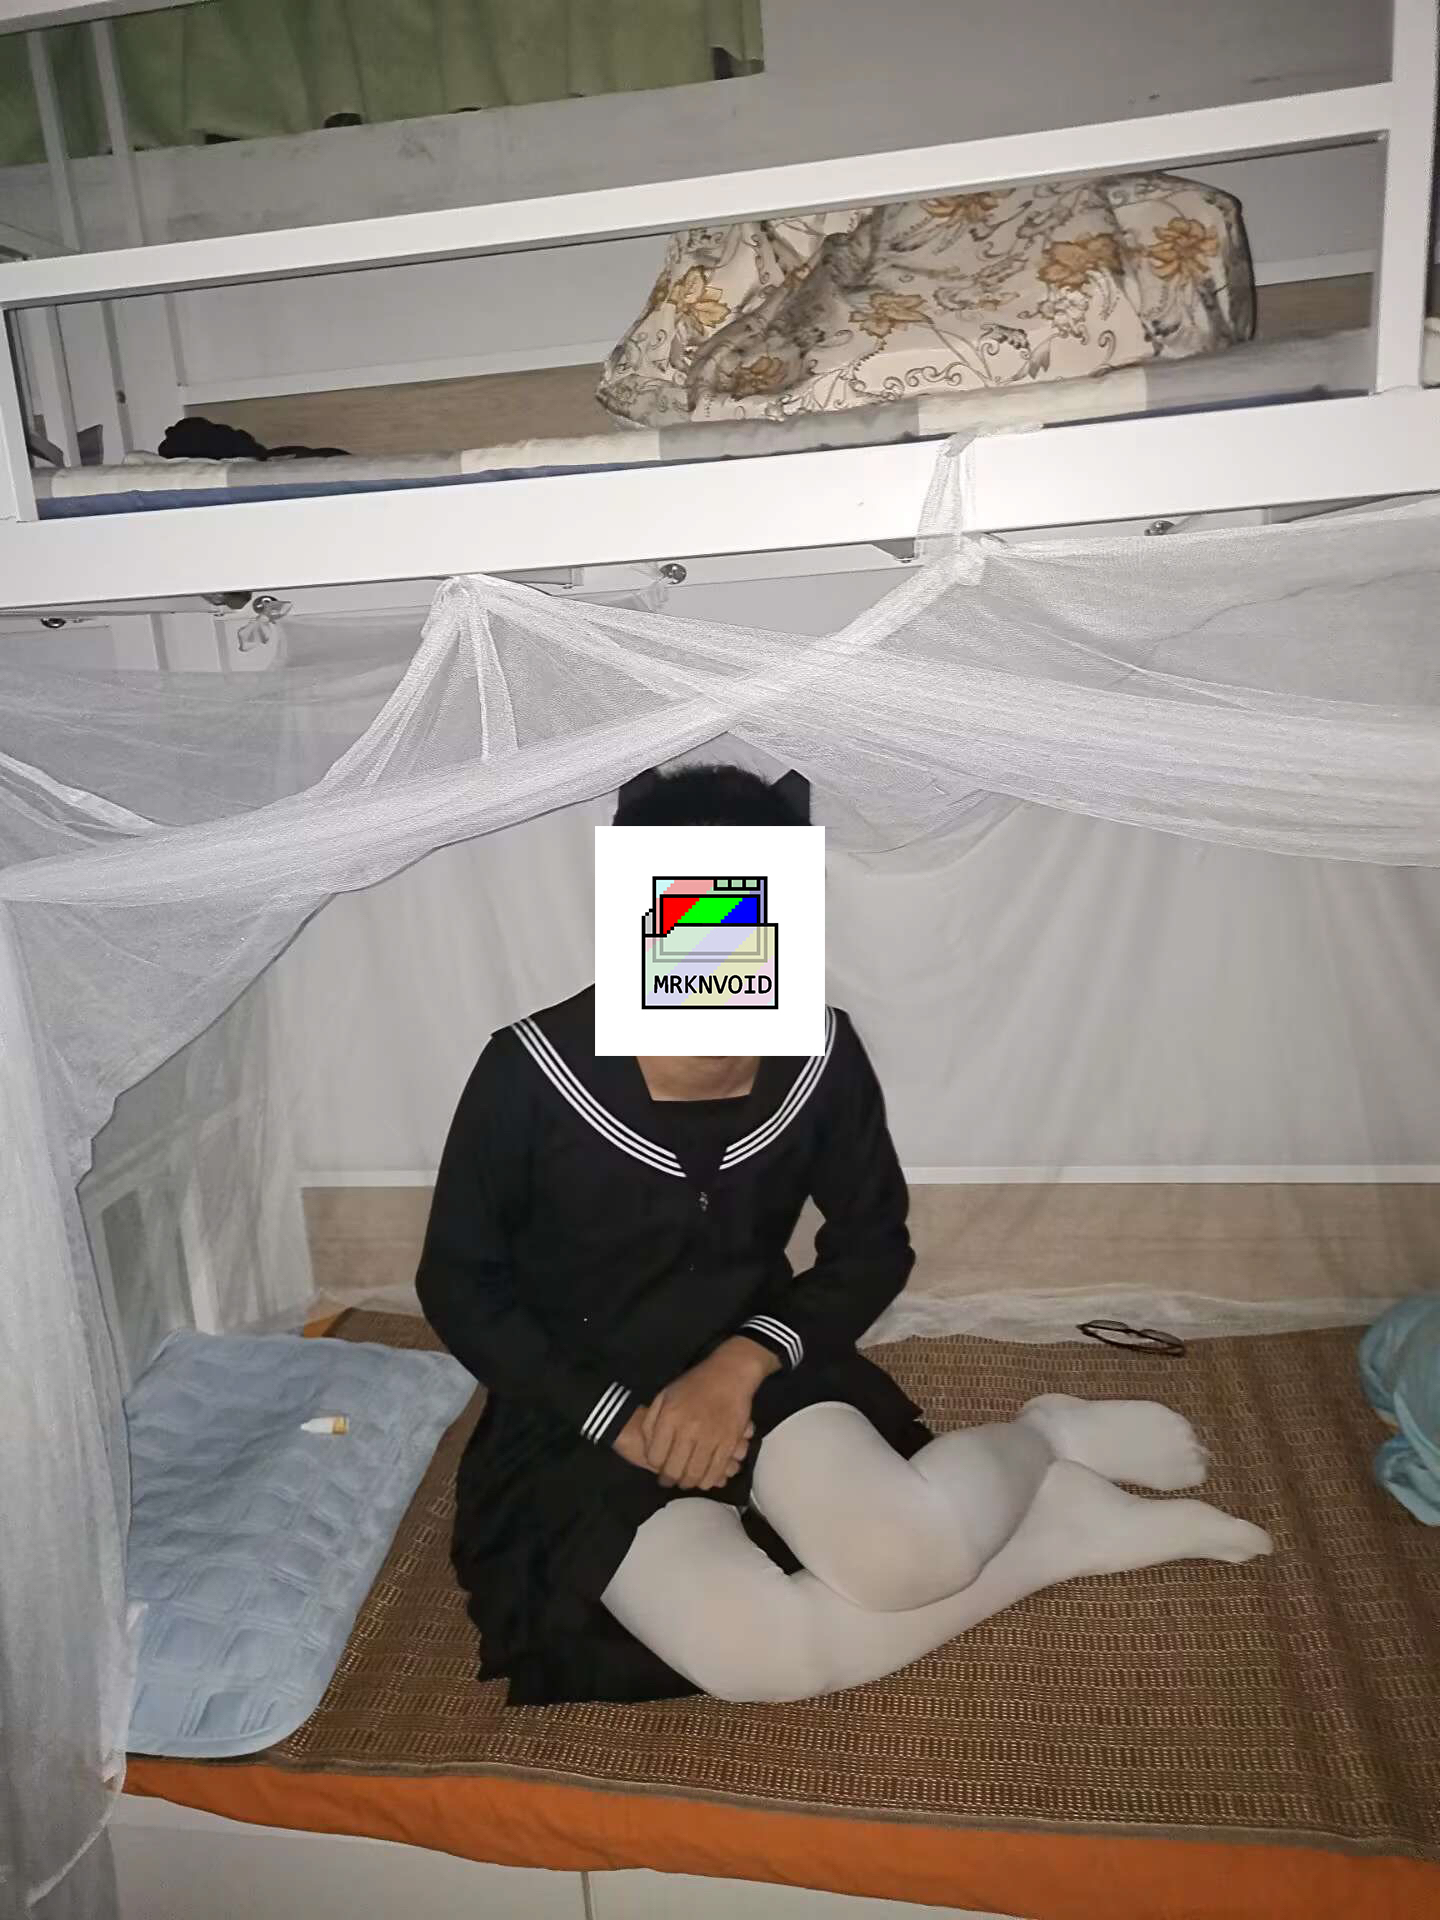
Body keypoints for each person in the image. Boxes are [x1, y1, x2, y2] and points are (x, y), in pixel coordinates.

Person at [418, 764, 1271, 1707]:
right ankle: (1055, 1535)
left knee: (909, 1560)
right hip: (582, 1408)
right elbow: (460, 1282)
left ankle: (1048, 1438)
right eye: (687, 914)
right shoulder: (530, 1071)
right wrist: (614, 1417)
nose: (715, 942)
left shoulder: (820, 1054)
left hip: (762, 1361)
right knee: (759, 1659)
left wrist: (739, 1365)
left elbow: (872, 1244)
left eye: (745, 913)